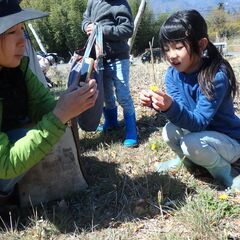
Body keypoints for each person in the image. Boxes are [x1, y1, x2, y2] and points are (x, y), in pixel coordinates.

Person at [0, 0, 98, 204]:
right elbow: (6, 164)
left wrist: (73, 101)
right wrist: (60, 114)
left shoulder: (19, 70)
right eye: (11, 32)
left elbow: (46, 108)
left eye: (22, 30)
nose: (22, 41)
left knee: (30, 133)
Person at [140, 9, 240, 192]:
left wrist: (170, 106)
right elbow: (182, 113)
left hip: (230, 142)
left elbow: (198, 122)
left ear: (201, 44)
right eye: (166, 48)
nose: (171, 55)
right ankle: (188, 162)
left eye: (178, 47)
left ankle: (227, 173)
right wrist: (160, 104)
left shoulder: (215, 76)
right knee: (169, 131)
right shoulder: (172, 75)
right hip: (202, 135)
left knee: (191, 143)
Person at [82, 0, 138, 147]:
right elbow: (86, 19)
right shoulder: (93, 2)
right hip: (100, 57)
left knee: (123, 93)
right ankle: (111, 122)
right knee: (105, 94)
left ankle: (132, 129)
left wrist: (100, 29)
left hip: (118, 56)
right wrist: (86, 26)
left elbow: (127, 29)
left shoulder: (120, 4)